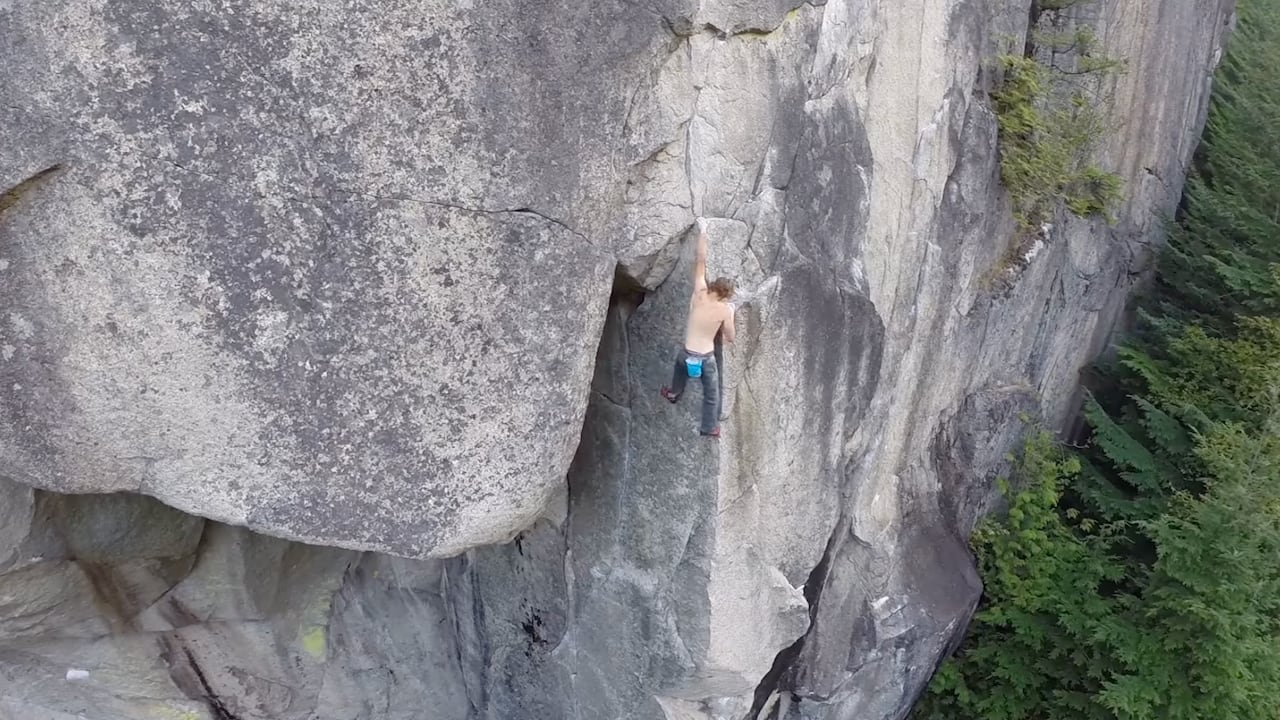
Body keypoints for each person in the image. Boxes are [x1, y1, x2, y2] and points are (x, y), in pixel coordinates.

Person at [661, 218, 736, 438]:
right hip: (705, 359)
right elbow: (730, 337)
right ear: (724, 295)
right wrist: (730, 313)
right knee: (711, 395)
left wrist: (703, 230)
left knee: (679, 374)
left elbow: (700, 259)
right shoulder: (723, 310)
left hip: (685, 355)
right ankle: (709, 427)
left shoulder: (699, 291)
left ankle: (673, 393)